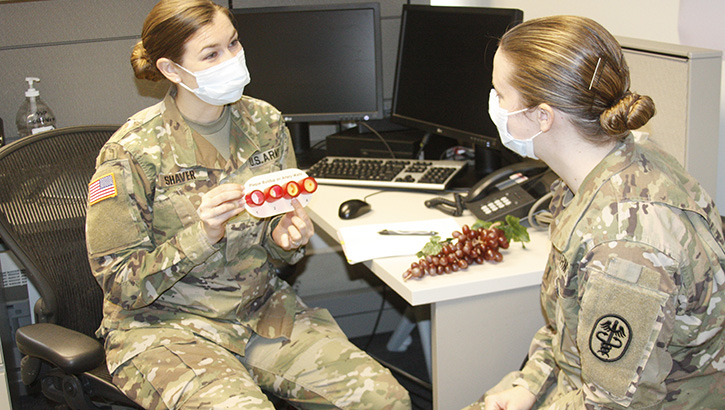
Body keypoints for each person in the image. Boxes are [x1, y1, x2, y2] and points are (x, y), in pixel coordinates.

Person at [85, 1, 411, 409]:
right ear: (171, 70)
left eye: (234, 44)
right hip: (167, 328)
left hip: (260, 311)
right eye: (212, 54)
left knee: (384, 399)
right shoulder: (131, 153)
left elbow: (276, 251)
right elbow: (120, 284)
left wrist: (285, 240)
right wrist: (202, 236)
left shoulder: (266, 124)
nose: (232, 60)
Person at [462, 15, 725, 410]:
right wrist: (529, 385)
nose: (494, 105)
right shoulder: (606, 165)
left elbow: (611, 404)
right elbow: (566, 327)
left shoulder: (625, 250)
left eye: (501, 95)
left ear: (542, 117)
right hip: (577, 383)